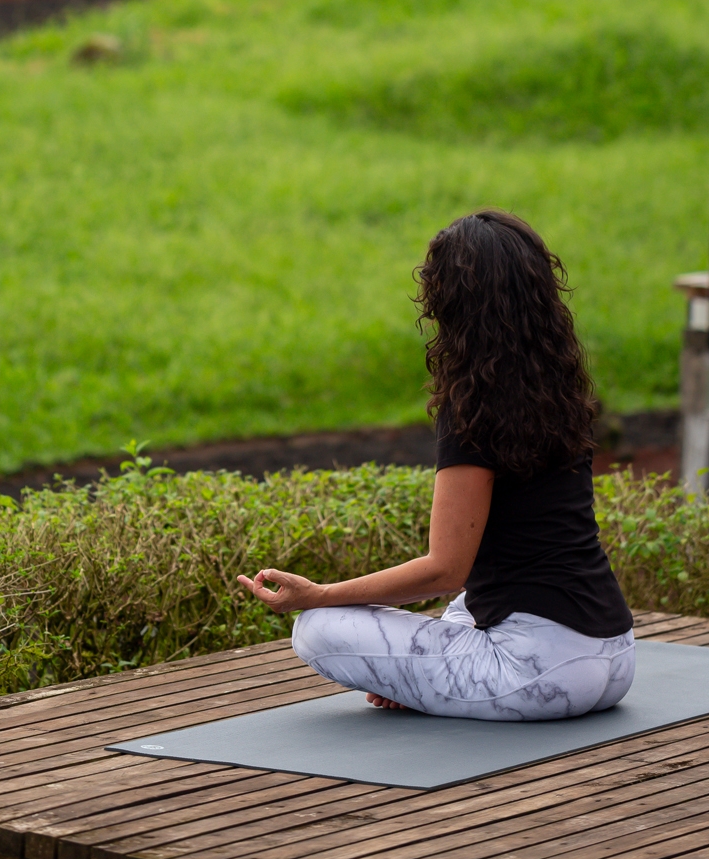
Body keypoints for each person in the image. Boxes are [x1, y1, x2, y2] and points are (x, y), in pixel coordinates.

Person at [238, 209, 634, 720]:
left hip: (539, 673)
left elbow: (445, 569)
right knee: (463, 608)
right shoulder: (560, 388)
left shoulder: (474, 406)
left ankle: (414, 675)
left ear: (449, 300)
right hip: (615, 656)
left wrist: (320, 595)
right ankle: (422, 678)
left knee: (317, 628)